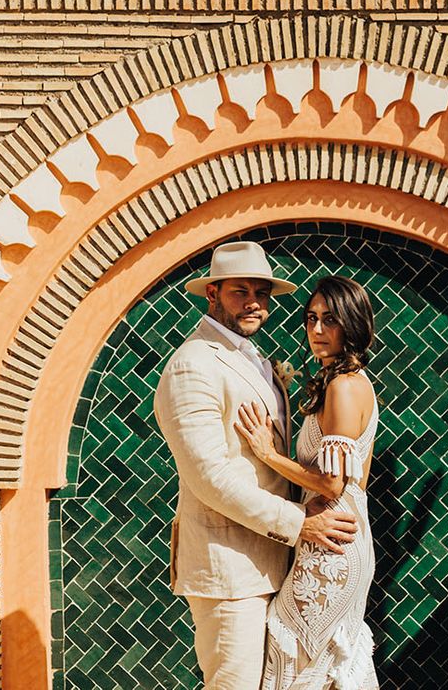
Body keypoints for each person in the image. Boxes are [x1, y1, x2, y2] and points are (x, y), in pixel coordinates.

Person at [154, 242, 358, 690]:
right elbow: (209, 477)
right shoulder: (193, 365)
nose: (253, 303)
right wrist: (296, 522)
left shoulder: (258, 361)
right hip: (231, 570)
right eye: (239, 291)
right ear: (212, 293)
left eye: (261, 294)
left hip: (282, 564)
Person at [236, 275, 379, 690]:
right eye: (311, 318)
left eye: (329, 320)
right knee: (321, 663)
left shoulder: (344, 387)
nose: (317, 330)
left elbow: (333, 484)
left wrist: (268, 454)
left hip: (333, 542)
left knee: (299, 652)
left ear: (351, 325)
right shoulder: (345, 382)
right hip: (334, 537)